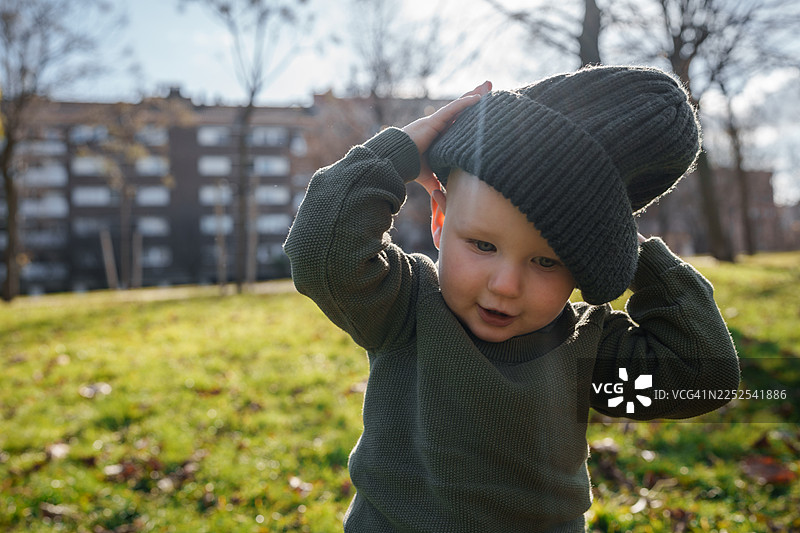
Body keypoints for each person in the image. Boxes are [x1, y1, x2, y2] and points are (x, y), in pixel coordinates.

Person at [284, 66, 740, 532]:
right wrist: (401, 148)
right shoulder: (405, 308)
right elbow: (321, 249)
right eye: (482, 245)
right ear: (439, 220)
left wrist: (627, 245)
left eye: (546, 262)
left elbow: (702, 373)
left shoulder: (582, 344)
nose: (505, 285)